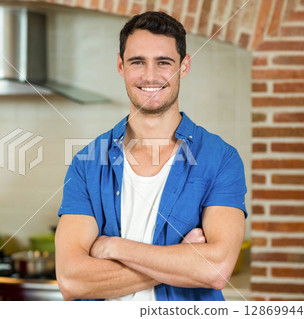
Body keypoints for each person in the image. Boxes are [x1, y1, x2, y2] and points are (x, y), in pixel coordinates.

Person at [55, 11, 247, 301]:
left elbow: (216, 269)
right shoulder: (87, 162)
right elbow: (71, 280)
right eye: (137, 62)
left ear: (184, 66)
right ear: (121, 66)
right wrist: (181, 260)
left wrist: (114, 247)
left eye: (163, 62)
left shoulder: (221, 159)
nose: (150, 75)